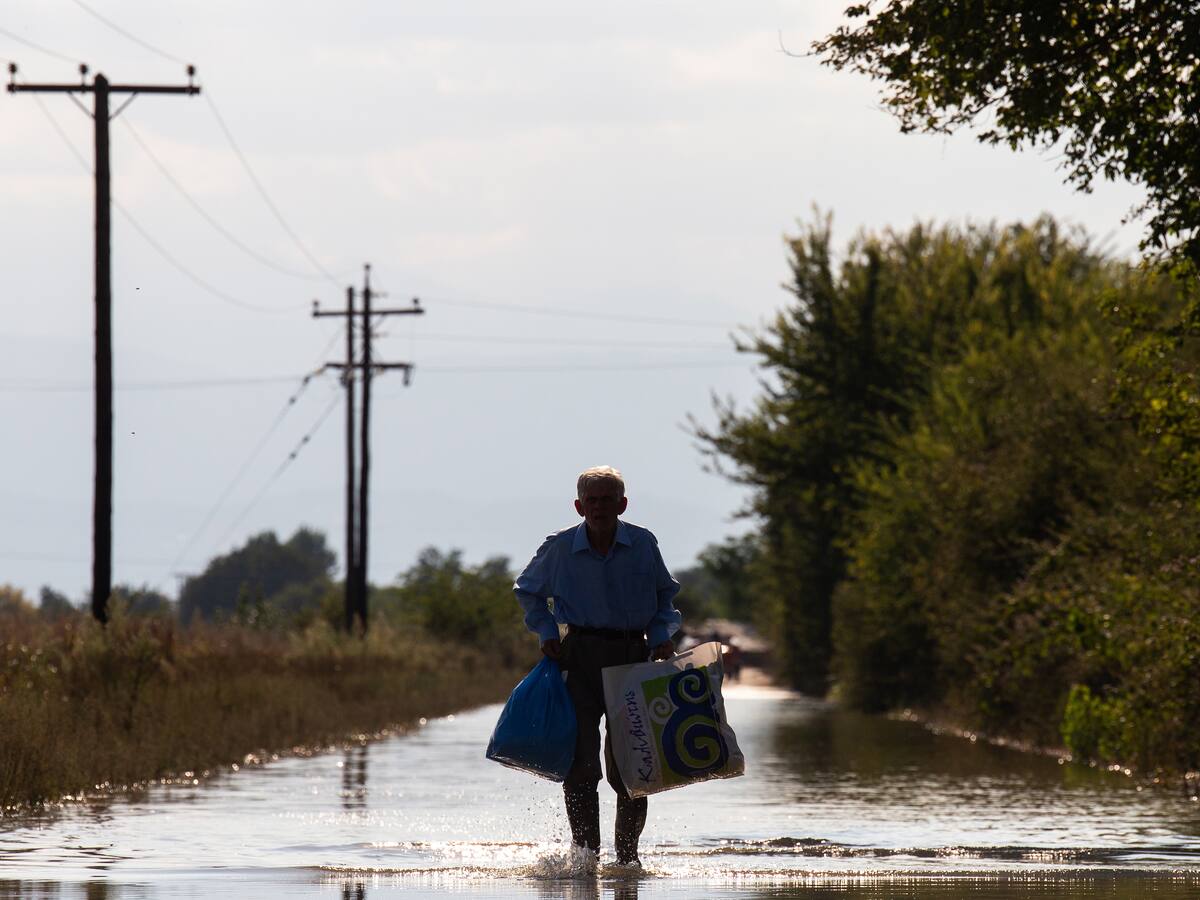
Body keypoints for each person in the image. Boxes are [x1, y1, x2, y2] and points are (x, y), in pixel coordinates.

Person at [513, 465, 681, 867]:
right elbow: (527, 592)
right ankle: (586, 858)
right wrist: (546, 631)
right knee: (580, 764)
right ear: (578, 506)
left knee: (634, 766)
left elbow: (665, 599)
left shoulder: (642, 544)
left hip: (632, 657)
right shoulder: (559, 547)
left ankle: (627, 861)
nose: (600, 507)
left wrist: (661, 636)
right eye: (592, 500)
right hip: (579, 656)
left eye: (608, 500)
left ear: (623, 504)